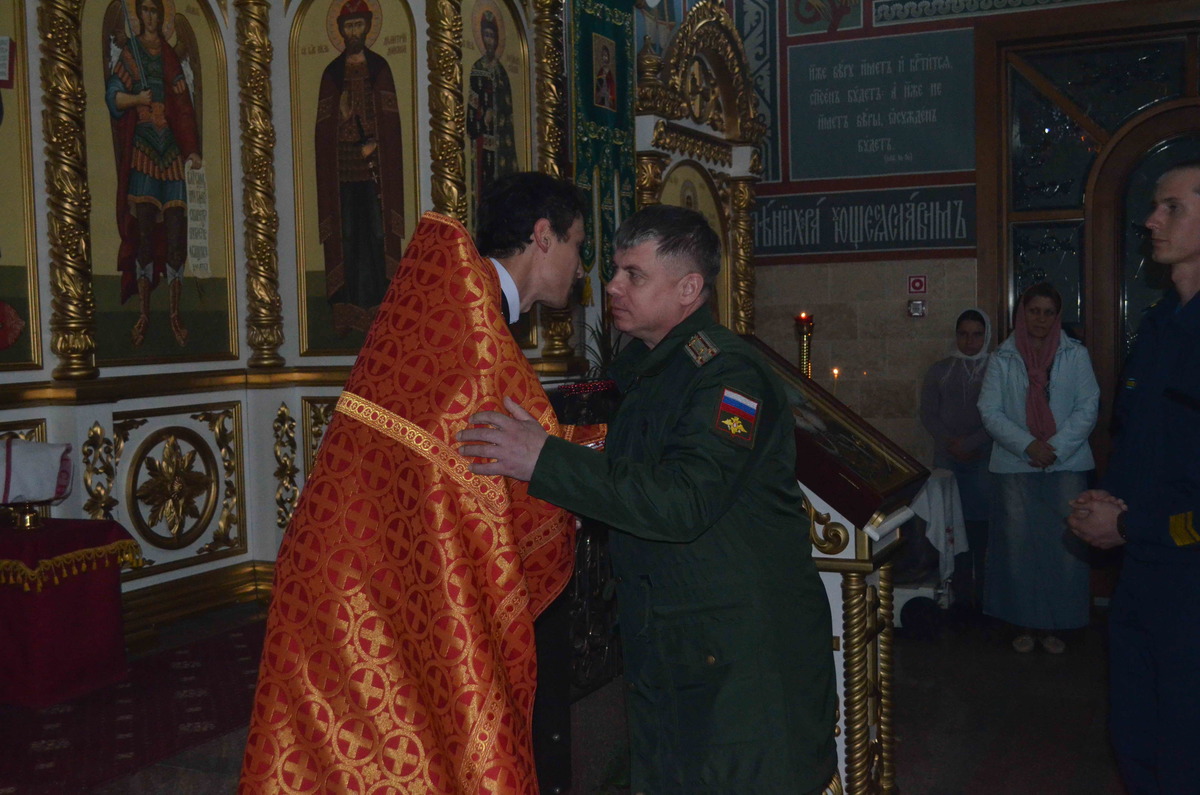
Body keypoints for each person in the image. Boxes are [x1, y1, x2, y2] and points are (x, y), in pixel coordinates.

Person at [458, 205, 837, 794]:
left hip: (740, 658)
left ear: (688, 289)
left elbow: (684, 501)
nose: (611, 285)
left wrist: (545, 460)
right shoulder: (653, 368)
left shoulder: (729, 379)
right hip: (679, 645)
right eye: (614, 269)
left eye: (633, 274)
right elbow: (628, 470)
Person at [239, 172, 594, 794]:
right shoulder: (472, 327)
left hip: (352, 568)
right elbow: (509, 457)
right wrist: (601, 454)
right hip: (372, 581)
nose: (582, 267)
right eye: (578, 246)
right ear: (544, 237)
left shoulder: (452, 304)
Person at [1068, 161, 1200, 793]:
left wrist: (1131, 525)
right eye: (1154, 206)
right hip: (1142, 577)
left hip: (1190, 578)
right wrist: (1107, 499)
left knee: (1186, 749)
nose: (1151, 220)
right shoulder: (1158, 324)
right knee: (1135, 735)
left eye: (1172, 207)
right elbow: (1138, 436)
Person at [977, 282, 1099, 654]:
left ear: (1057, 316)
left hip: (1066, 465)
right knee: (1018, 548)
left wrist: (1055, 449)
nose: (1040, 319)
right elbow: (989, 411)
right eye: (1034, 311)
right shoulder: (1002, 357)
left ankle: (1057, 625)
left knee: (1063, 547)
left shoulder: (1076, 355)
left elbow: (1088, 406)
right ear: (1022, 313)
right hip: (1016, 464)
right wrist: (1027, 445)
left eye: (1048, 313)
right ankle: (1023, 623)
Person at [105, 0, 201, 347]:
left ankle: (175, 314)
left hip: (171, 154)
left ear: (162, 16)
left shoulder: (169, 56)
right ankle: (144, 314)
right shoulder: (130, 53)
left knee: (176, 236)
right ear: (138, 15)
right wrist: (137, 99)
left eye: (155, 11)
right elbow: (113, 97)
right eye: (144, 10)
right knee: (144, 236)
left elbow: (184, 105)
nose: (150, 16)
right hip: (143, 150)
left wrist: (191, 149)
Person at [315, 0, 405, 337]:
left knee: (376, 234)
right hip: (343, 173)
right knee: (348, 234)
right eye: (348, 26)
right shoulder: (332, 74)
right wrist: (342, 120)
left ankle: (381, 308)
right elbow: (323, 130)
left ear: (367, 27)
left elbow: (390, 124)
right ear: (341, 31)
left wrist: (376, 143)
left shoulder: (380, 69)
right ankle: (347, 310)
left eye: (358, 25)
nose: (354, 32)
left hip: (375, 172)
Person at [920, 308, 993, 609]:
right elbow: (928, 414)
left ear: (986, 336)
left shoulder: (995, 369)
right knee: (952, 524)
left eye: (977, 334)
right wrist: (952, 443)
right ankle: (958, 596)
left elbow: (999, 416)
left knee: (981, 529)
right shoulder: (940, 370)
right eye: (963, 334)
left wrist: (972, 443)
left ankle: (984, 598)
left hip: (984, 458)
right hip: (948, 458)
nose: (970, 341)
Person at [466, 10, 517, 213]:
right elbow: (471, 118)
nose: (489, 41)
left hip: (503, 146)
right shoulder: (477, 69)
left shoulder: (502, 73)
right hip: (483, 145)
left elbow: (508, 113)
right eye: (486, 35)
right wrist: (483, 121)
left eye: (492, 36)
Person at [594, 42, 616, 110]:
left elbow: (612, 87)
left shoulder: (610, 73)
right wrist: (600, 94)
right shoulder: (600, 71)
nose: (604, 58)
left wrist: (610, 96)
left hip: (608, 97)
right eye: (603, 55)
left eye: (606, 55)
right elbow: (597, 88)